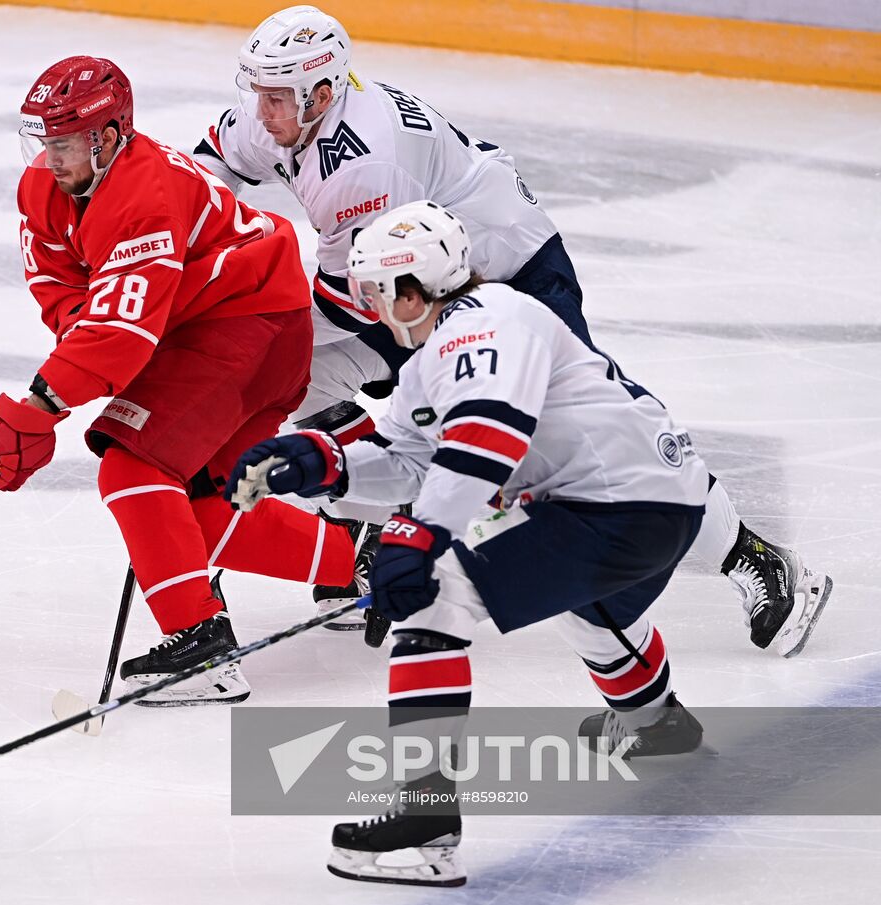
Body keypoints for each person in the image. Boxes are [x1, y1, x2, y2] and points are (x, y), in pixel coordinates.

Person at [195, 4, 830, 656]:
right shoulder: (284, 111)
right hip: (408, 287)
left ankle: (753, 557)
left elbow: (342, 307)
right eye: (260, 94)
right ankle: (365, 528)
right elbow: (209, 165)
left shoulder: (363, 164)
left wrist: (222, 321)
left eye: (276, 98)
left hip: (507, 284)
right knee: (284, 383)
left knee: (589, 453)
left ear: (322, 94)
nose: (261, 111)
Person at [228, 200, 714, 886]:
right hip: (657, 500)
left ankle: (424, 824)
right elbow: (406, 455)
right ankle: (653, 717)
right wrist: (319, 461)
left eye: (375, 292)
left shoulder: (486, 320)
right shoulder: (449, 345)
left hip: (616, 506)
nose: (368, 308)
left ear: (413, 289)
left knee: (435, 595)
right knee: (592, 602)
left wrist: (420, 535)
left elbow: (486, 435)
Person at [0, 55, 371, 706]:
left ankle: (200, 646)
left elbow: (122, 329)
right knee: (191, 505)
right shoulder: (40, 192)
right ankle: (362, 566)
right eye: (44, 142)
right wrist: (97, 359)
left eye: (67, 143)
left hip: (248, 323)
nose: (51, 158)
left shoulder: (144, 190)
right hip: (219, 325)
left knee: (133, 468)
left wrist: (43, 402)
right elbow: (67, 296)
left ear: (107, 138)